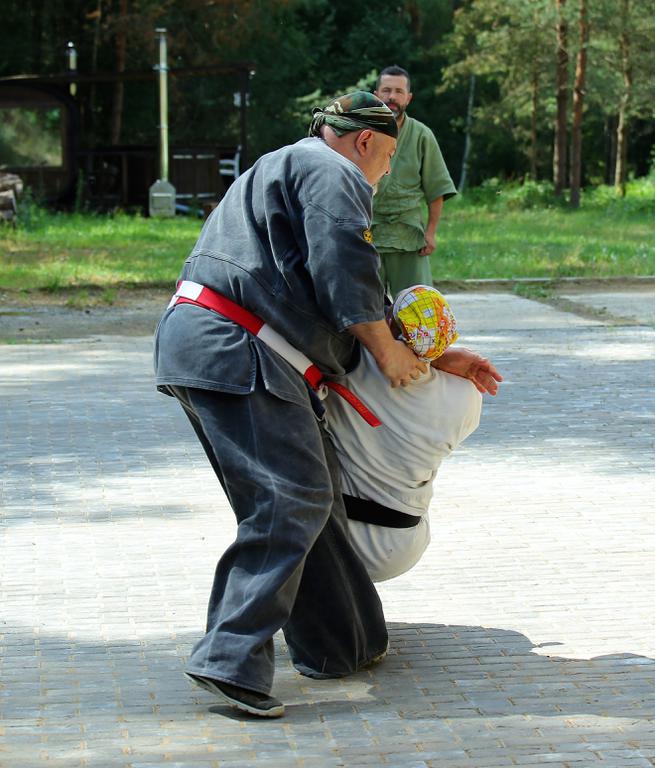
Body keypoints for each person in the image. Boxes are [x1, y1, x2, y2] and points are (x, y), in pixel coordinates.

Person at [153, 91, 428, 719]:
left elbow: (321, 281)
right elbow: (345, 268)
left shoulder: (289, 166)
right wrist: (388, 354)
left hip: (217, 342)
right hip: (239, 348)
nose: (383, 177)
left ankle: (343, 642)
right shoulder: (332, 170)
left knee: (313, 491)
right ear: (365, 141)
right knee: (291, 497)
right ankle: (228, 660)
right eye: (387, 160)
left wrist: (433, 356)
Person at [324, 286, 502, 582]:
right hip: (410, 538)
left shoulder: (353, 366)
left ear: (390, 326)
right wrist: (440, 359)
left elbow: (370, 338)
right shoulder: (469, 397)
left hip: (355, 538)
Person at [372, 65, 457, 297]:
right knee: (364, 311)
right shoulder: (362, 133)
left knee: (418, 308)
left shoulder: (422, 135)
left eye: (399, 92)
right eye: (386, 90)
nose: (392, 97)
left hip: (408, 235)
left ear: (408, 98)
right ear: (376, 94)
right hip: (368, 233)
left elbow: (436, 188)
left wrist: (430, 232)